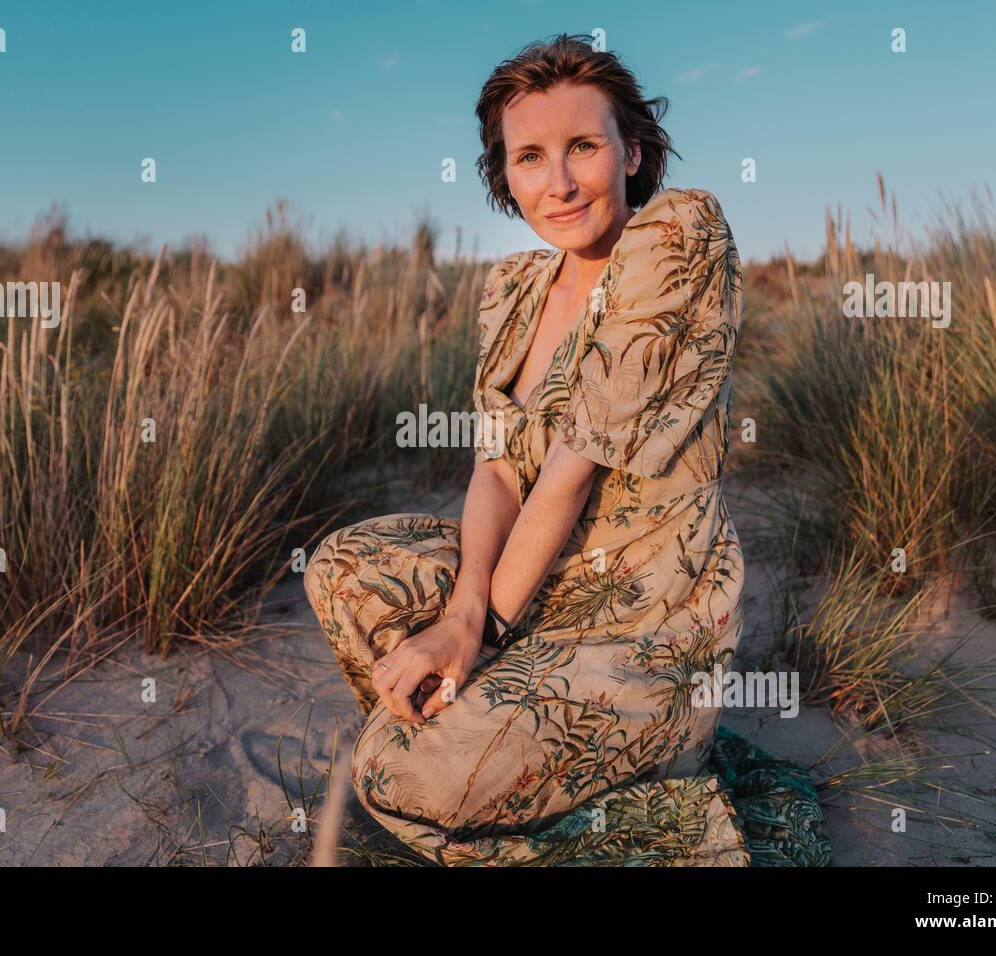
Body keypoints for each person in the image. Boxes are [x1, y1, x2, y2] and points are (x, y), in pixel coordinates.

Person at [303, 34, 831, 866]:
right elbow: (494, 468)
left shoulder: (676, 240)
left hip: (645, 610)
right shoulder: (511, 288)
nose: (558, 182)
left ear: (632, 152)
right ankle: (480, 721)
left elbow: (569, 469)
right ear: (503, 174)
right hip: (535, 578)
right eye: (530, 156)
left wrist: (477, 629)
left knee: (389, 778)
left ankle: (650, 761)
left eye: (583, 147)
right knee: (337, 563)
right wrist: (464, 610)